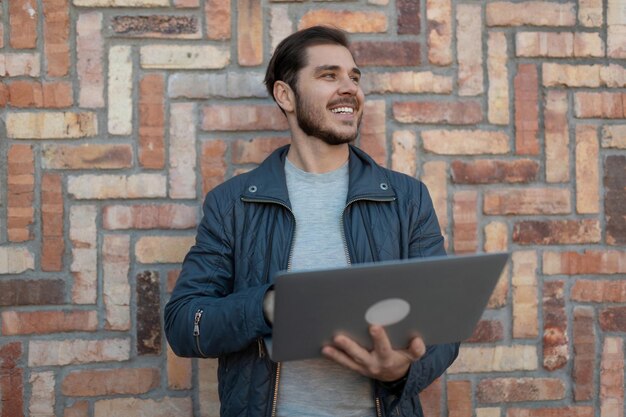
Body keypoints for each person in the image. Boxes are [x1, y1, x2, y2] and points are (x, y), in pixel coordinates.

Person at [164, 25, 459, 417]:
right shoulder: (233, 204)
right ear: (285, 95)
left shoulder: (406, 198)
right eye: (328, 75)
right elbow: (185, 324)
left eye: (354, 77)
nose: (349, 88)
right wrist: (268, 306)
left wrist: (401, 370)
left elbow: (444, 321)